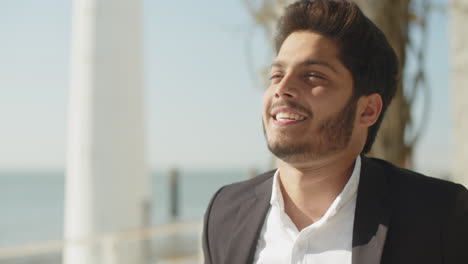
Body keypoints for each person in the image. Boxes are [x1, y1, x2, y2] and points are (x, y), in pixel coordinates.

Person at [202, 0, 468, 263]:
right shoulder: (225, 213)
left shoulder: (441, 217)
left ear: (368, 110)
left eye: (313, 76)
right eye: (276, 75)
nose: (282, 88)